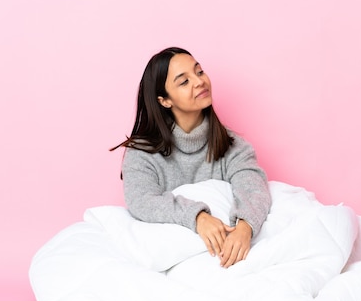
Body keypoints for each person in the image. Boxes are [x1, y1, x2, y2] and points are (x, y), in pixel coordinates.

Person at [111, 47, 271, 268]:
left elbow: (253, 187)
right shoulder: (142, 153)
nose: (199, 81)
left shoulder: (232, 145)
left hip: (227, 261)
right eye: (184, 82)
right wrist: (199, 218)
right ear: (165, 101)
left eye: (199, 72)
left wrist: (245, 227)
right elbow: (141, 200)